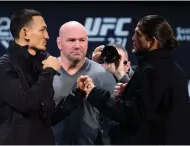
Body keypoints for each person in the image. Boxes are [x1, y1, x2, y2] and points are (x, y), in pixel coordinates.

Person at [77, 15, 190, 144]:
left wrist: (93, 92)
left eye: (137, 34)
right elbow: (151, 108)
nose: (132, 38)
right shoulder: (173, 68)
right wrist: (128, 93)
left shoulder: (153, 70)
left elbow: (132, 114)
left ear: (152, 42)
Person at [0, 9, 84, 145]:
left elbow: (48, 118)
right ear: (25, 33)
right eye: (42, 30)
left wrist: (78, 94)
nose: (47, 36)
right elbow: (27, 103)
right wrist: (48, 71)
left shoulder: (40, 64)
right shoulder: (2, 68)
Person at [52, 21, 116, 144]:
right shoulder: (46, 73)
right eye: (71, 40)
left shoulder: (102, 74)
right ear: (59, 43)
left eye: (82, 40)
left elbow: (112, 121)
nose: (77, 45)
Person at [92, 44, 134, 144]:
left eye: (116, 61)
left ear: (127, 66)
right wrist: (93, 65)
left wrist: (119, 74)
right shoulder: (94, 79)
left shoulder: (136, 82)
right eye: (103, 61)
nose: (108, 65)